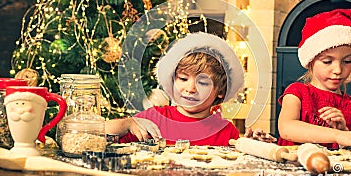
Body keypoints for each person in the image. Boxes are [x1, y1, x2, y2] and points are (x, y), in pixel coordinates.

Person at [106, 32, 275, 146]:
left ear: (220, 91)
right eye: (183, 79)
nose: (190, 88)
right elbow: (101, 131)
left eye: (203, 83)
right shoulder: (155, 118)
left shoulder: (226, 131)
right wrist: (127, 123)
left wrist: (252, 145)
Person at [277, 9, 351, 152]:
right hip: (293, 172)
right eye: (327, 61)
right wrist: (337, 135)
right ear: (311, 61)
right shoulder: (297, 92)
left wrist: (344, 132)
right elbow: (286, 128)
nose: (338, 70)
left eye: (347, 61)